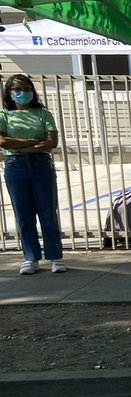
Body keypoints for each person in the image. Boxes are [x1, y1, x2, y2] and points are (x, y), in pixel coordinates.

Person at [0, 74, 66, 274]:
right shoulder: (4, 115)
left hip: (41, 165)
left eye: (27, 89)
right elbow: (2, 142)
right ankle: (31, 258)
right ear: (11, 93)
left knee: (47, 212)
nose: (23, 93)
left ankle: (55, 257)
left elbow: (51, 142)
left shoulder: (43, 114)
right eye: (18, 90)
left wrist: (19, 145)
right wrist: (33, 143)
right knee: (24, 214)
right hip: (15, 166)